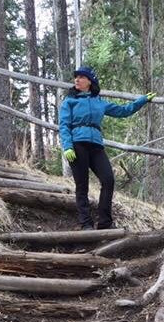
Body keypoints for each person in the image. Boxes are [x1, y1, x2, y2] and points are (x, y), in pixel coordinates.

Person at [59, 66, 155, 230]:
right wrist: (68, 146)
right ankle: (86, 223)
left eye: (81, 77)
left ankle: (104, 222)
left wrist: (142, 100)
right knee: (82, 185)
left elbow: (124, 111)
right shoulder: (69, 102)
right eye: (76, 77)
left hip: (96, 145)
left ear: (90, 81)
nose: (77, 79)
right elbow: (64, 125)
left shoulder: (100, 103)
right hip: (77, 145)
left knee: (108, 180)